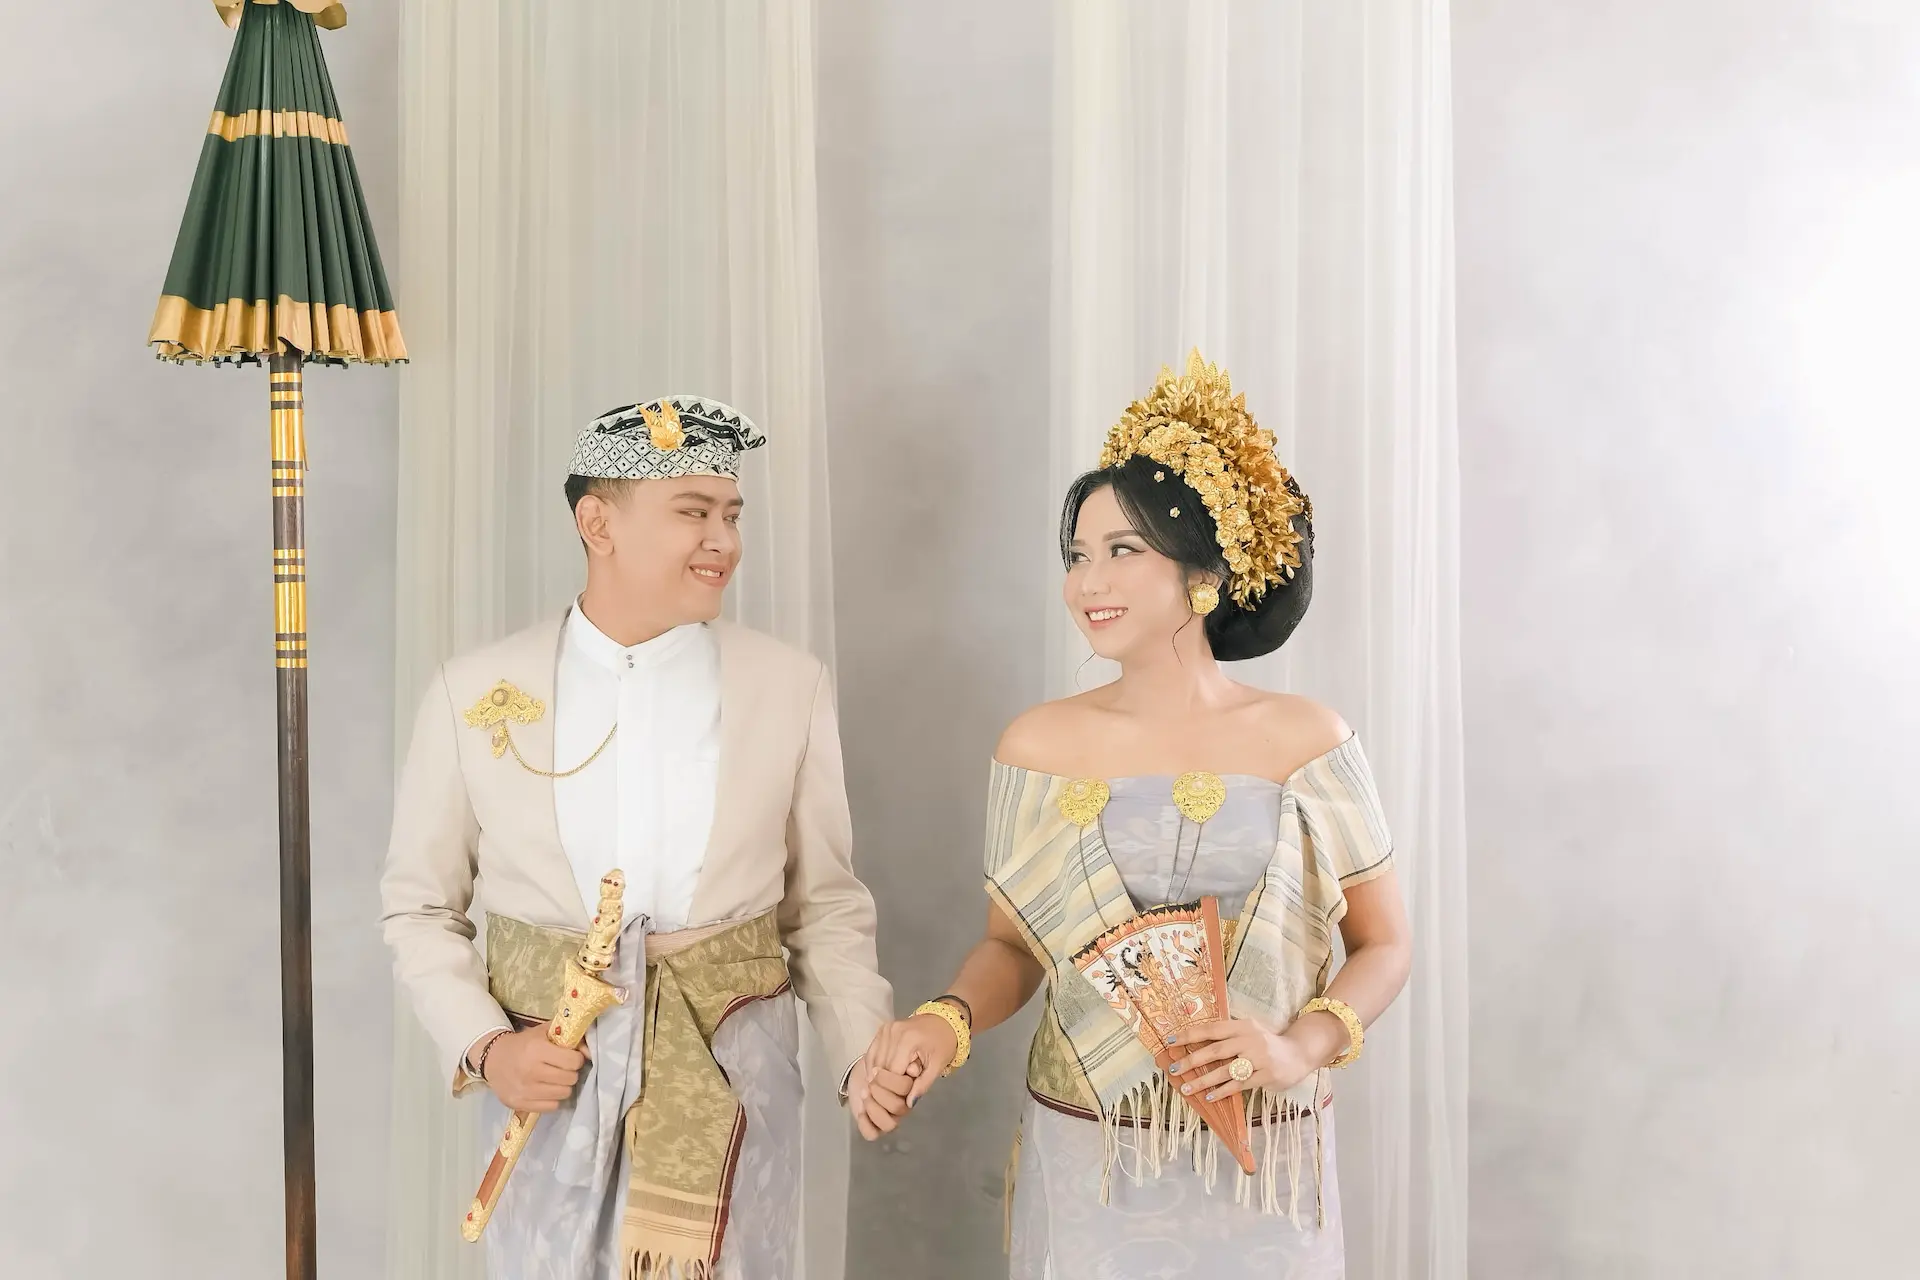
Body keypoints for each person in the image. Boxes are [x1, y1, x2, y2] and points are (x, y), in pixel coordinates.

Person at [864, 354, 1413, 1278]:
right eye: (1077, 556)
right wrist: (942, 1023)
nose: (1088, 581)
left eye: (1123, 551)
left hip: (1266, 1159)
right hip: (1092, 1156)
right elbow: (1010, 948)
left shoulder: (1307, 740)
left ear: (1203, 572)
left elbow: (1384, 944)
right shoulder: (1037, 745)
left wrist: (1298, 1048)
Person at [381, 396, 912, 1280]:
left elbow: (822, 906)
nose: (723, 541)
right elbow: (419, 908)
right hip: (553, 1073)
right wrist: (488, 1047)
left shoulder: (787, 686)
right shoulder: (474, 690)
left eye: (732, 515)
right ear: (598, 524)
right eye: (693, 513)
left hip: (732, 1075)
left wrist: (863, 1053)